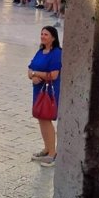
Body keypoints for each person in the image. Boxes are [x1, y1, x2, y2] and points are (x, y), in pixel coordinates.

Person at [27, 26, 62, 167]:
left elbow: (54, 75)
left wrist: (36, 74)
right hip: (38, 90)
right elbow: (30, 68)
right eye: (42, 34)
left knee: (46, 119)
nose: (42, 36)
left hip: (49, 91)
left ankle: (52, 153)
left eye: (46, 34)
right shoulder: (40, 51)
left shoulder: (57, 53)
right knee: (41, 119)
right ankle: (47, 148)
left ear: (53, 37)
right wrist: (32, 75)